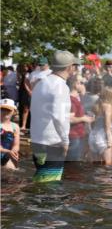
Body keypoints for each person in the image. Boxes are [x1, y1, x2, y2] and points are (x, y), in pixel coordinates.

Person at [29, 51, 76, 182]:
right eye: (74, 65)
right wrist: (65, 141)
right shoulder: (61, 86)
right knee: (50, 186)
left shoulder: (41, 83)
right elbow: (58, 116)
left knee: (41, 179)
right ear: (69, 67)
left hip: (37, 140)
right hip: (53, 143)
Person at [88, 87, 112, 165]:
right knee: (107, 165)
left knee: (96, 164)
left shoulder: (96, 105)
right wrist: (109, 138)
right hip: (103, 136)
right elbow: (107, 124)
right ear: (109, 96)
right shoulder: (108, 106)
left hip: (93, 136)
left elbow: (92, 122)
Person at [0, 98, 20, 169]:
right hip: (6, 152)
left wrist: (14, 152)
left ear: (14, 111)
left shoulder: (15, 127)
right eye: (3, 109)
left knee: (14, 171)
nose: (5, 112)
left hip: (6, 157)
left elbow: (16, 144)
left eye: (8, 110)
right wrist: (8, 151)